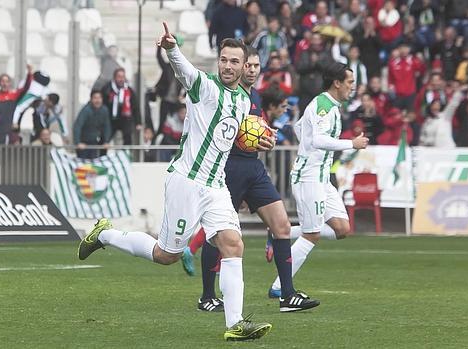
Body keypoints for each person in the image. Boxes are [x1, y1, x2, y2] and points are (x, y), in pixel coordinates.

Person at [77, 23, 271, 341]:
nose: (228, 65)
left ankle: (235, 324)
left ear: (244, 66)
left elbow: (226, 137)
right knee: (166, 255)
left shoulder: (242, 103)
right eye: (224, 59)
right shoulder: (205, 87)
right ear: (218, 61)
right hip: (187, 182)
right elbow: (185, 71)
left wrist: (255, 140)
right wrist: (171, 48)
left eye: (235, 61)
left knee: (234, 244)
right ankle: (106, 235)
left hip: (216, 186)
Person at [182, 49, 316, 313]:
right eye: (249, 65)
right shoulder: (227, 94)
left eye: (256, 65)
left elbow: (251, 132)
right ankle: (207, 296)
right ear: (241, 67)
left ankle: (287, 295)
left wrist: (266, 138)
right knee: (217, 234)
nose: (253, 70)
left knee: (282, 226)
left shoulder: (254, 96)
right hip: (229, 166)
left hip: (253, 167)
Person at [267, 62, 368, 298]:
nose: (352, 87)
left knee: (342, 228)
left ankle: (279, 233)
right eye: (350, 82)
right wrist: (350, 143)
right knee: (312, 234)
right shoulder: (323, 105)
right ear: (337, 83)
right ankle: (279, 287)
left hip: (321, 179)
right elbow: (319, 140)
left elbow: (301, 128)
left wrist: (307, 144)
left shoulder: (327, 105)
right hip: (308, 178)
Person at [101, 68, 141, 145]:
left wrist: (138, 122)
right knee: (105, 138)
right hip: (111, 118)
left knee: (127, 136)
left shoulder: (129, 90)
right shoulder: (107, 89)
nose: (121, 79)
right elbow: (103, 105)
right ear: (114, 78)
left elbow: (135, 107)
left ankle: (126, 155)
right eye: (119, 77)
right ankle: (102, 155)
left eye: (123, 77)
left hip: (125, 118)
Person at [0, 65, 33, 143]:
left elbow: (25, 88)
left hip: (10, 128)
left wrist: (29, 73)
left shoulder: (13, 95)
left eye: (7, 81)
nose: (4, 84)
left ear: (9, 83)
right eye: (2, 81)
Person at [73, 91, 111, 159]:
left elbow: (107, 126)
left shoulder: (104, 110)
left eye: (99, 98)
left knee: (93, 163)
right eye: (95, 98)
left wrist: (106, 141)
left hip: (94, 142)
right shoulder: (86, 110)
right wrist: (78, 142)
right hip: (83, 142)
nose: (97, 100)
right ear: (91, 99)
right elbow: (77, 126)